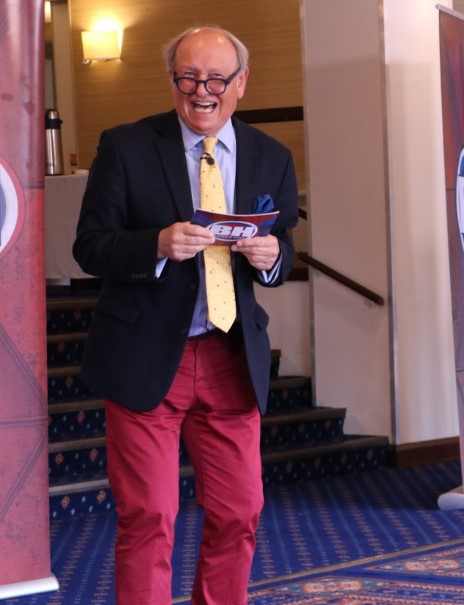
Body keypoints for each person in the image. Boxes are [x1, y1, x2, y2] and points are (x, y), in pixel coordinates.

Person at [73, 25, 299, 604]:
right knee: (149, 513)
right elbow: (91, 246)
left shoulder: (272, 156)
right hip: (147, 355)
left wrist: (274, 258)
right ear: (172, 80)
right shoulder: (125, 145)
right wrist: (155, 243)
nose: (203, 90)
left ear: (241, 83)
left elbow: (284, 243)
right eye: (188, 77)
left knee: (239, 511)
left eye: (217, 78)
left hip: (229, 357)